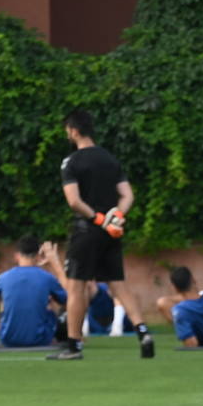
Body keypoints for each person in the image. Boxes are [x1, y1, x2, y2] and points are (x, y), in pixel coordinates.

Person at [51, 109, 154, 361]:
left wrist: (98, 218)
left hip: (86, 231)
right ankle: (143, 332)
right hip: (111, 233)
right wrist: (116, 217)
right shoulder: (110, 159)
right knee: (118, 284)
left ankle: (74, 346)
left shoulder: (71, 162)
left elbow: (74, 201)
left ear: (74, 131)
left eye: (68, 130)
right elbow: (127, 195)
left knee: (76, 286)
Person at [0, 238, 69, 348]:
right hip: (40, 340)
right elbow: (70, 300)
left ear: (16, 256)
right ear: (38, 256)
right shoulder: (47, 277)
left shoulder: (3, 278)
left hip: (8, 339)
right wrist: (55, 264)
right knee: (50, 304)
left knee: (4, 302)